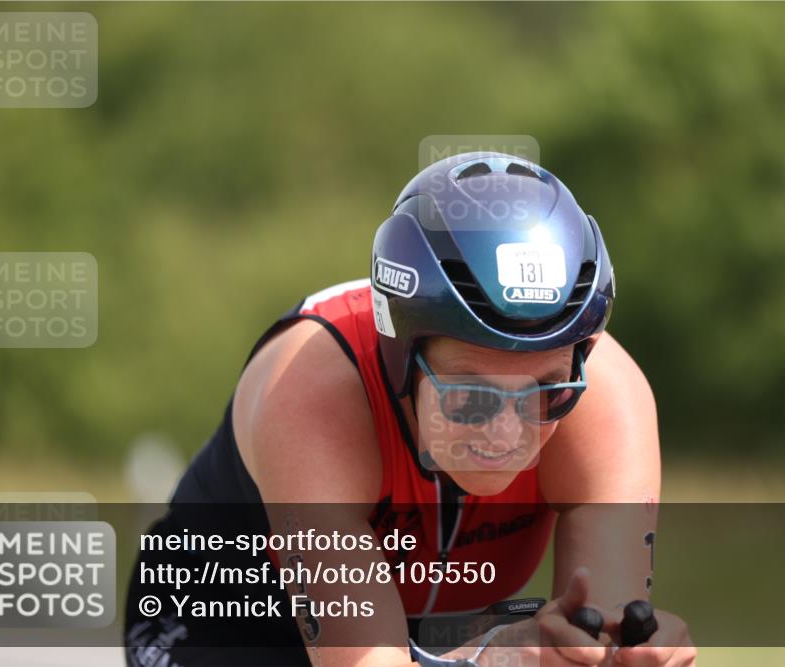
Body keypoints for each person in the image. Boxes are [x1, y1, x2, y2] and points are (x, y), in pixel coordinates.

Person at [124, 152, 696, 667]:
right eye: (472, 394)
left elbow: (602, 625)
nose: (506, 431)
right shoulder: (311, 389)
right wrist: (496, 660)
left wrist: (621, 654)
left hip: (449, 637)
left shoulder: (605, 395)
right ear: (401, 356)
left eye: (545, 391)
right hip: (227, 631)